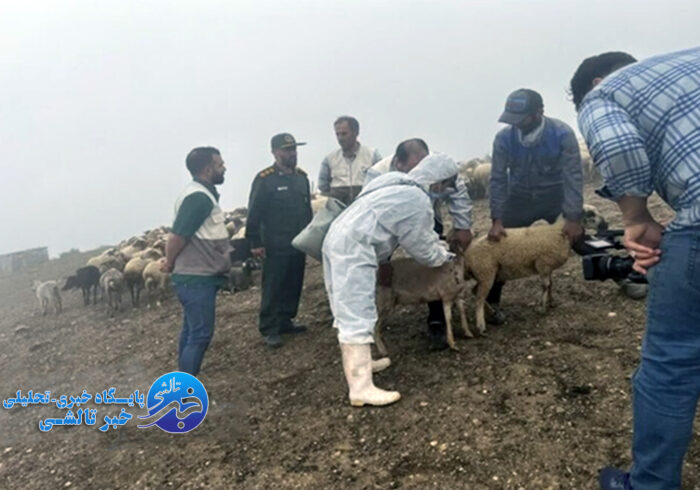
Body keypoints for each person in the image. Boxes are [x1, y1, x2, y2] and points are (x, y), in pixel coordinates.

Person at [571, 47, 700, 490]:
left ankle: (649, 485)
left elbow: (619, 144)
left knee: (672, 361)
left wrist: (636, 217)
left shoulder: (606, 94)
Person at [323, 153, 459, 407]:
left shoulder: (394, 182)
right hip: (356, 246)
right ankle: (360, 388)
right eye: (447, 185)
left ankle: (362, 365)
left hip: (338, 238)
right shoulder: (416, 198)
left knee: (345, 308)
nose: (445, 191)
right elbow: (423, 251)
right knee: (357, 310)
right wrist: (445, 253)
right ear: (438, 181)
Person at [486, 88, 585, 323]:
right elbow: (498, 179)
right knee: (499, 246)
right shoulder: (503, 139)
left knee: (578, 238)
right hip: (519, 197)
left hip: (554, 196)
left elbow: (573, 176)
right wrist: (497, 219)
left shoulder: (562, 133)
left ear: (539, 113)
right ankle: (490, 304)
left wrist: (573, 217)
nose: (516, 125)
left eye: (521, 119)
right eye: (512, 120)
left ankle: (622, 276)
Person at [366, 138, 473, 350]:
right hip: (388, 225)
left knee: (437, 266)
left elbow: (458, 193)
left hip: (428, 215)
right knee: (385, 272)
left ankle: (436, 320)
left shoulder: (441, 167)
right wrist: (383, 261)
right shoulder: (377, 174)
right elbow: (370, 220)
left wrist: (462, 226)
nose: (424, 174)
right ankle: (373, 319)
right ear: (400, 164)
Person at [162, 147, 231, 375]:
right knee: (200, 335)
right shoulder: (198, 197)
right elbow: (177, 236)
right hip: (196, 278)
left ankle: (181, 382)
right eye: (220, 165)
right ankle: (185, 391)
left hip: (196, 277)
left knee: (191, 331)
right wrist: (169, 262)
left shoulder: (202, 193)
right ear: (207, 169)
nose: (224, 168)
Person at [246, 133, 313, 349]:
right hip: (275, 244)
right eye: (287, 150)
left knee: (294, 283)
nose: (292, 153)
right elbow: (254, 212)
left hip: (298, 242)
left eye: (294, 149)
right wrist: (255, 241)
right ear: (275, 152)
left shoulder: (302, 177)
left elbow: (307, 210)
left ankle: (286, 320)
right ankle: (270, 327)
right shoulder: (265, 179)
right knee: (274, 286)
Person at [317, 116, 382, 205]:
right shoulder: (329, 159)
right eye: (337, 134)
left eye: (344, 134)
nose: (340, 138)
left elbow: (381, 182)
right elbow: (323, 187)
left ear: (356, 133)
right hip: (338, 213)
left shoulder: (372, 155)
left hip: (366, 209)